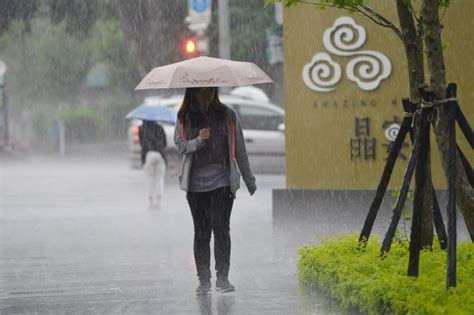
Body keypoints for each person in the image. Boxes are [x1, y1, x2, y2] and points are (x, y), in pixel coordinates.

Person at [174, 87, 256, 295]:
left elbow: (240, 150)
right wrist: (200, 141)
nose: (205, 94)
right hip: (195, 186)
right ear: (192, 93)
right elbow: (181, 146)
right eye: (200, 91)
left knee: (221, 229)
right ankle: (204, 280)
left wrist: (249, 179)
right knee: (201, 234)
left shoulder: (228, 116)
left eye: (209, 90)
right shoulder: (185, 117)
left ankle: (222, 278)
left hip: (222, 183)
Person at [139, 120, 167, 208]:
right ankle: (158, 201)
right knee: (159, 178)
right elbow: (165, 144)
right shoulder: (160, 128)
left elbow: (142, 144)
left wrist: (143, 159)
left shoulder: (142, 128)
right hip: (159, 154)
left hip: (149, 154)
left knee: (149, 179)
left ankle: (150, 201)